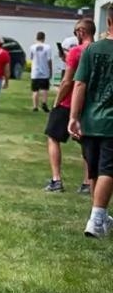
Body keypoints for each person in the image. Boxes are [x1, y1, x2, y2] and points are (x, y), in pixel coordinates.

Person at [68, 6, 113, 237]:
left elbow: (79, 84)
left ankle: (98, 216)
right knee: (108, 170)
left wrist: (74, 117)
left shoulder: (91, 50)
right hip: (110, 123)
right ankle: (97, 218)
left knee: (95, 169)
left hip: (90, 119)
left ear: (108, 22)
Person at [44, 17, 95, 193]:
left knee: (52, 136)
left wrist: (56, 102)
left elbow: (67, 82)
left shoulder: (76, 52)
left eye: (76, 32)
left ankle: (56, 179)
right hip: (90, 104)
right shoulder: (100, 50)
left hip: (69, 102)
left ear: (81, 32)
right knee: (87, 143)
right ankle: (88, 182)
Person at [28, 32, 54, 111]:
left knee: (35, 90)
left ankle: (35, 106)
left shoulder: (32, 47)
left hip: (35, 72)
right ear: (44, 38)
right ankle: (44, 103)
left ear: (36, 38)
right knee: (44, 89)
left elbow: (31, 58)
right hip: (45, 71)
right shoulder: (48, 47)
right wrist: (50, 70)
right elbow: (49, 60)